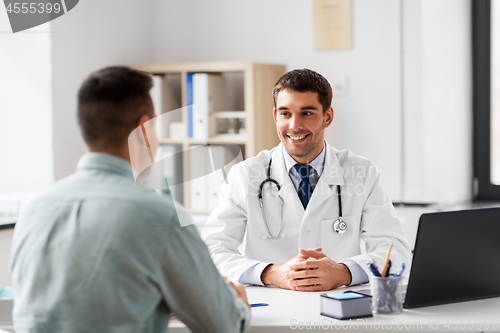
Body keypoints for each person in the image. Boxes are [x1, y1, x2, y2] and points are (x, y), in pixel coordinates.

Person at [10, 66, 250, 333]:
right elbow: (223, 325)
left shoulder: (34, 210)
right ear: (143, 130)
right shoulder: (158, 216)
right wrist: (238, 303)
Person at [201, 68, 411, 291]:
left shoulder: (362, 173)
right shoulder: (245, 175)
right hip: (272, 306)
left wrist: (344, 272)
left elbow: (395, 251)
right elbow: (210, 251)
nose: (294, 125)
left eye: (306, 113)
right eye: (285, 113)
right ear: (275, 116)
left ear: (327, 116)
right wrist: (271, 273)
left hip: (340, 306)